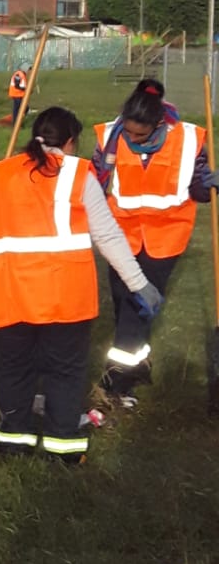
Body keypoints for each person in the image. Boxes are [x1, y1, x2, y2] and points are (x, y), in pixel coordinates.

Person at [0, 106, 162, 463]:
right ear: (69, 142)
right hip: (64, 297)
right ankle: (63, 448)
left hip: (9, 294)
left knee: (14, 368)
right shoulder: (77, 176)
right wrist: (139, 283)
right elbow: (108, 236)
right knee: (64, 371)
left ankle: (11, 442)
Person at [91, 78, 215, 408]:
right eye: (128, 133)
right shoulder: (109, 138)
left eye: (139, 135)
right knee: (124, 306)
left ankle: (115, 384)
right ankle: (140, 363)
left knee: (135, 308)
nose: (132, 139)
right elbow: (94, 182)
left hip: (165, 239)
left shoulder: (189, 140)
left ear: (159, 123)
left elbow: (198, 190)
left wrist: (208, 183)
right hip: (119, 237)